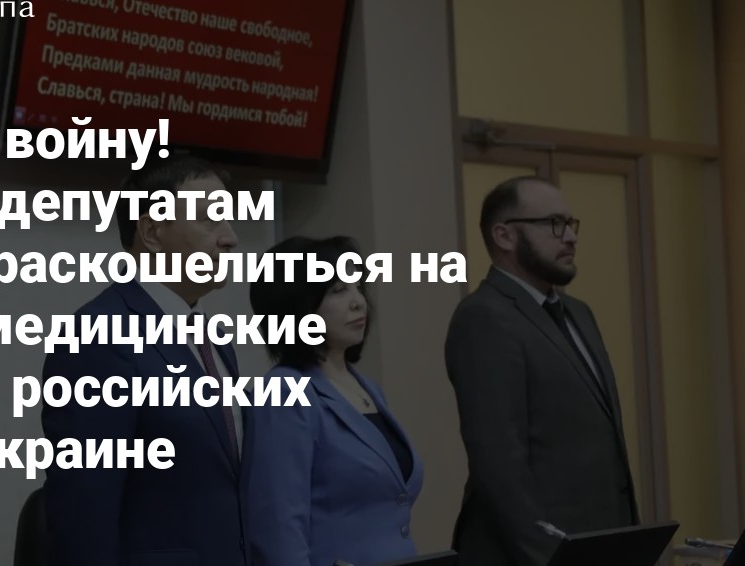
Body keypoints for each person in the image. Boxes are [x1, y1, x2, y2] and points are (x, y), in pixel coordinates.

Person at [41, 155, 246, 566]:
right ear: (152, 232)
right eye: (212, 219)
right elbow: (84, 512)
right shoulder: (98, 336)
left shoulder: (215, 339)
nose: (231, 238)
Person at [445, 176, 638, 566]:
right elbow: (499, 463)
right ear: (504, 236)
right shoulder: (484, 317)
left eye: (571, 223)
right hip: (535, 556)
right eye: (553, 224)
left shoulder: (578, 313)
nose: (570, 237)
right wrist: (551, 558)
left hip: (601, 543)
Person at [243, 235, 424, 566]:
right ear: (298, 306)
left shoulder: (367, 387)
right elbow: (279, 529)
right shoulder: (285, 391)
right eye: (338, 291)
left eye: (358, 287)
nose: (358, 302)